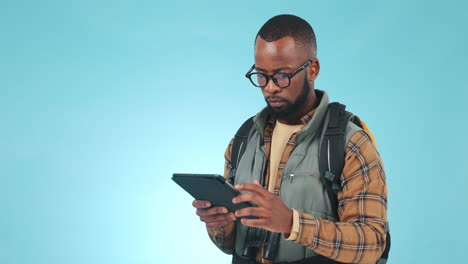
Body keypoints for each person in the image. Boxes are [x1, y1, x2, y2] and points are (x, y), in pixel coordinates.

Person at [192, 14, 388, 264]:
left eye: (282, 76)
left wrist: (292, 224)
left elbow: (371, 243)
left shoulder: (350, 144)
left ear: (312, 69)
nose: (270, 87)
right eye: (261, 75)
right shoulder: (243, 141)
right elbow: (229, 246)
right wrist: (220, 224)